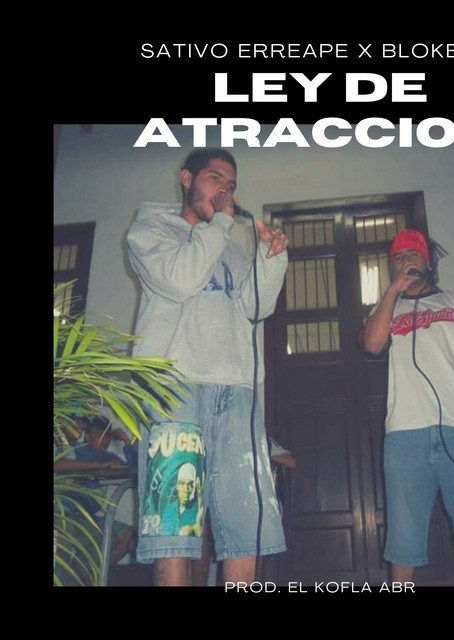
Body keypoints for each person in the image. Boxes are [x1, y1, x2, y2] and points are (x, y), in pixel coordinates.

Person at [126, 148, 289, 586]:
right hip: (173, 387)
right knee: (173, 523)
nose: (224, 191)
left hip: (236, 390)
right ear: (187, 178)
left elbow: (256, 307)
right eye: (215, 178)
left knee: (244, 520)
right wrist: (219, 225)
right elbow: (180, 279)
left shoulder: (229, 251)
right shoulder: (149, 230)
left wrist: (271, 259)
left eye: (230, 185)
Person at [361, 229, 454, 586]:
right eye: (398, 257)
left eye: (412, 254)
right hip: (404, 434)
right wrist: (392, 292)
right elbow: (372, 345)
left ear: (427, 261)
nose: (405, 260)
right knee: (404, 533)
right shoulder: (385, 309)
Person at [54, 416, 138, 565]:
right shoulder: (77, 451)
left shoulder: (109, 458)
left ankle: (96, 574)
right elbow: (58, 465)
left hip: (95, 517)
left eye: (108, 437)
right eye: (100, 435)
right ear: (87, 436)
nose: (105, 441)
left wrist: (126, 440)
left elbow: (135, 470)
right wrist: (98, 466)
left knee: (129, 536)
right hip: (69, 512)